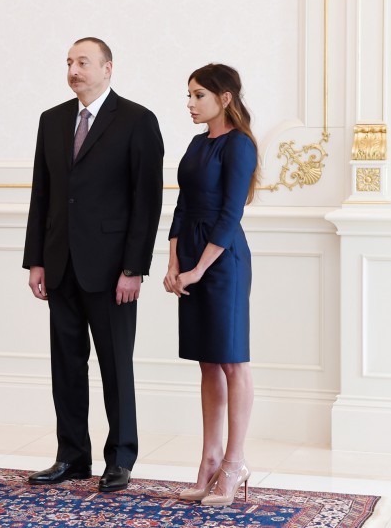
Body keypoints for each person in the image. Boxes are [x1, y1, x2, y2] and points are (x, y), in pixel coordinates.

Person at [23, 37, 164, 493]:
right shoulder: (52, 120)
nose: (74, 70)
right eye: (69, 62)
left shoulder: (138, 120)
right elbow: (42, 194)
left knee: (115, 366)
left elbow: (147, 202)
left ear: (108, 68)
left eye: (83, 62)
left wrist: (134, 268)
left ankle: (120, 458)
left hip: (112, 270)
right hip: (60, 264)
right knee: (66, 365)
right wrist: (36, 260)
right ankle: (71, 456)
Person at [162, 63, 259, 507]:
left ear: (224, 98)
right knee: (207, 362)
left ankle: (235, 463)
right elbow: (183, 205)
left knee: (232, 361)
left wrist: (200, 268)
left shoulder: (239, 145)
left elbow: (230, 213)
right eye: (189, 95)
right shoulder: (197, 144)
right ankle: (210, 460)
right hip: (191, 256)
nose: (190, 103)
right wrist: (173, 262)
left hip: (223, 261)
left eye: (198, 95)